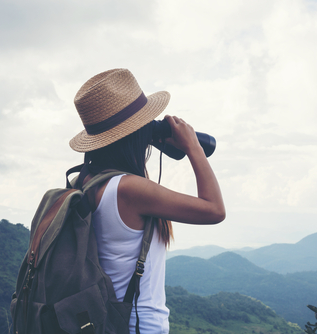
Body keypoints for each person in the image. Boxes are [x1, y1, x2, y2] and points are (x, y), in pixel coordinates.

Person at [69, 68, 225, 334]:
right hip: (138, 326)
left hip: (103, 321)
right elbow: (214, 210)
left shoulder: (84, 181)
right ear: (136, 134)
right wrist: (192, 147)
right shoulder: (129, 189)